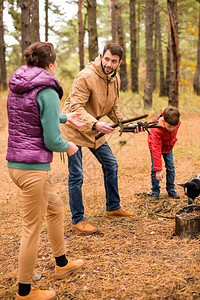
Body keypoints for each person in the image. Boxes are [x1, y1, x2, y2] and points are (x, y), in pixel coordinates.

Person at [6, 42, 85, 300]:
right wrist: (69, 145)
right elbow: (52, 140)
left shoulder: (20, 83)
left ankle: (62, 263)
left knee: (57, 207)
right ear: (51, 64)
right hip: (33, 171)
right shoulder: (48, 90)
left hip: (16, 166)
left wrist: (65, 117)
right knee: (31, 229)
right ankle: (25, 291)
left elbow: (33, 115)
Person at [61, 43, 142, 235]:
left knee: (111, 164)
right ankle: (78, 220)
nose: (109, 64)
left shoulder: (115, 79)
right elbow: (76, 108)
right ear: (101, 56)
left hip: (93, 130)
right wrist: (96, 124)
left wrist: (127, 126)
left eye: (114, 61)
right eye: (107, 59)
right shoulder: (85, 76)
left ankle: (113, 207)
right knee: (77, 175)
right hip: (74, 128)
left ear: (119, 62)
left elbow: (113, 108)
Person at [148, 106, 181, 201]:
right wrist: (158, 169)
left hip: (168, 147)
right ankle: (155, 191)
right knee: (154, 169)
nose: (171, 129)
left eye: (173, 127)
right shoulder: (156, 129)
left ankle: (171, 189)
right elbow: (156, 149)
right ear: (164, 120)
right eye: (169, 127)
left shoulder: (177, 123)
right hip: (155, 146)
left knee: (171, 167)